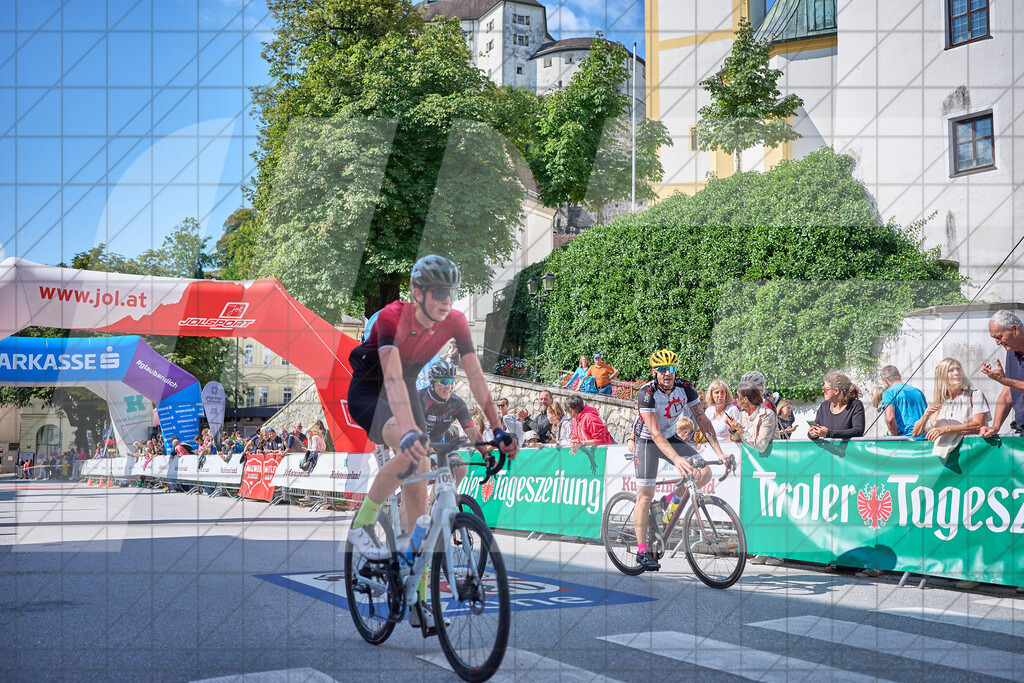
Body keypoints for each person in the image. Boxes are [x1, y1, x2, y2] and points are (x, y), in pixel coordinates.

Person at [346, 255, 518, 632]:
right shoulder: (393, 315)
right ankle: (363, 523)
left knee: (421, 499)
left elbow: (474, 375)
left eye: (452, 293)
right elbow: (390, 379)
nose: (447, 300)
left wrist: (497, 428)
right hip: (372, 390)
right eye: (439, 292)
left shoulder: (454, 321)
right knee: (410, 452)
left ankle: (417, 596)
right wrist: (408, 431)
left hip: (404, 388)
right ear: (417, 292)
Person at [630, 349, 728, 572]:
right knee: (645, 495)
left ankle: (669, 501)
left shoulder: (685, 389)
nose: (668, 374)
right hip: (647, 441)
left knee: (704, 472)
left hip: (670, 436)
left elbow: (702, 420)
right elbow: (655, 434)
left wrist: (719, 452)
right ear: (655, 372)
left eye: (672, 369)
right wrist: (675, 459)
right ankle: (642, 549)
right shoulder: (647, 393)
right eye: (663, 369)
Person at [418, 359, 485, 488]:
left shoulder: (456, 403)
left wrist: (486, 454)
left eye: (451, 381)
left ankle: (447, 501)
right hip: (414, 445)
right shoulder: (420, 400)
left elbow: (471, 430)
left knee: (460, 469)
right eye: (444, 381)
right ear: (432, 382)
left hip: (437, 447)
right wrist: (431, 455)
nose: (449, 386)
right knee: (423, 473)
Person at [912, 357, 989, 455]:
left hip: (972, 456)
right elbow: (915, 433)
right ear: (942, 376)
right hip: (945, 462)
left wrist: (945, 430)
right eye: (951, 370)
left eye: (958, 369)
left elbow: (979, 425)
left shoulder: (975, 395)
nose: (957, 373)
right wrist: (926, 415)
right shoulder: (939, 404)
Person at [980, 310, 1024, 438]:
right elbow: (1007, 393)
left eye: (999, 337)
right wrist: (995, 427)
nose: (997, 343)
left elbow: (1008, 383)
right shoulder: (1011, 352)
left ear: (1015, 329)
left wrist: (1005, 380)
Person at [808, 373, 865, 439]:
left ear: (836, 391)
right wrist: (813, 433)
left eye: (826, 389)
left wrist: (829, 433)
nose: (823, 391)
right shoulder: (824, 406)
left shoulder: (855, 405)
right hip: (827, 449)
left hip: (849, 449)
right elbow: (815, 432)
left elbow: (858, 431)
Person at [878, 365, 928, 439]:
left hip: (906, 441)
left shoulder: (889, 393)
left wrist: (895, 437)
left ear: (885, 381)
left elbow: (890, 418)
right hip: (925, 440)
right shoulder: (918, 392)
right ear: (899, 376)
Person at [704, 379, 741, 460]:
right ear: (711, 395)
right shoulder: (708, 411)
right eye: (717, 392)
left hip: (729, 451)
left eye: (722, 392)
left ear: (726, 394)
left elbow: (738, 434)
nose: (720, 395)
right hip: (710, 451)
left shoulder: (732, 410)